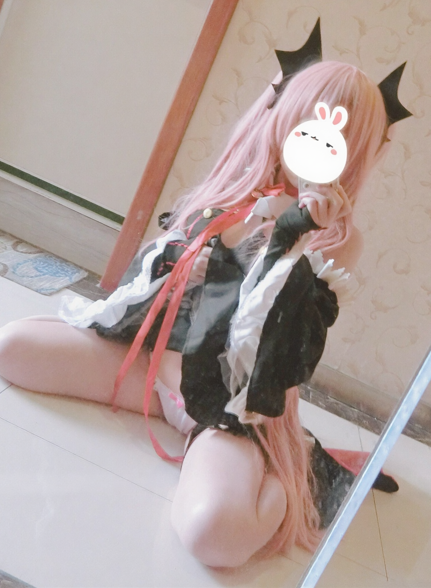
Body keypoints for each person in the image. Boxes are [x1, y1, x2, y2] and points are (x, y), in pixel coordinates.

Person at [0, 58, 400, 568]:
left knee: (215, 535)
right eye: (307, 121)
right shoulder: (233, 189)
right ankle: (188, 424)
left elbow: (282, 342)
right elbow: (151, 286)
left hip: (227, 412)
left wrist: (294, 232)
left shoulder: (338, 240)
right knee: (12, 347)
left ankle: (293, 475)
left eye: (338, 137)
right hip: (151, 372)